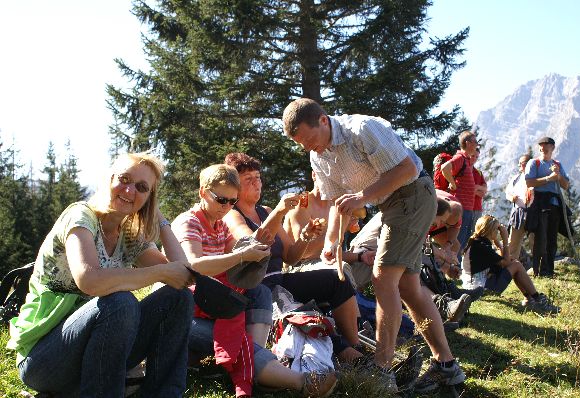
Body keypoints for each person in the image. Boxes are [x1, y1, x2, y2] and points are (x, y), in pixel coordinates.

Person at [282, 98, 465, 394]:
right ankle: (446, 366)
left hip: (413, 194)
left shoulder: (363, 129)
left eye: (310, 139)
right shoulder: (320, 155)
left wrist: (362, 197)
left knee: (382, 277)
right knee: (408, 287)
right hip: (391, 204)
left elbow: (406, 169)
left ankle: (381, 368)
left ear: (324, 120)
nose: (309, 148)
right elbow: (336, 205)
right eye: (302, 145)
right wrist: (332, 242)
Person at [7, 152, 195, 397]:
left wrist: (159, 218)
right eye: (124, 179)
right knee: (119, 302)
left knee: (177, 298)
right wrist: (161, 271)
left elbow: (181, 272)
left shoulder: (129, 234)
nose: (129, 191)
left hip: (98, 352)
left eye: (141, 187)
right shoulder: (80, 216)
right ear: (109, 179)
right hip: (44, 360)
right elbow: (89, 280)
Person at [171, 164, 337, 398]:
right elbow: (193, 265)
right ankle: (302, 381)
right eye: (221, 200)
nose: (226, 207)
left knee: (258, 292)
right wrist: (243, 255)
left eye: (232, 201)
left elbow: (239, 265)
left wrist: (253, 255)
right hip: (183, 311)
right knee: (238, 341)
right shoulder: (188, 222)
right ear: (202, 193)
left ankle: (251, 369)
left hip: (209, 304)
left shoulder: (219, 223)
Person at [222, 152, 363, 364]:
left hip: (280, 280)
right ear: (235, 186)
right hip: (257, 288)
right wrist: (279, 212)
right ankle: (351, 358)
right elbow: (252, 244)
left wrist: (305, 236)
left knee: (337, 279)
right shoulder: (232, 214)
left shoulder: (265, 211)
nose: (256, 183)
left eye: (258, 177)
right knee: (300, 313)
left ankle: (356, 345)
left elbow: (291, 256)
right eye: (248, 180)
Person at [461, 215, 560, 314]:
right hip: (480, 290)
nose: (498, 232)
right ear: (490, 231)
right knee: (516, 265)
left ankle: (530, 299)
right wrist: (505, 240)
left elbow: (503, 260)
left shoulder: (478, 242)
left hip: (477, 286)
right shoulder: (481, 246)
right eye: (496, 229)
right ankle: (538, 300)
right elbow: (506, 262)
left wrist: (497, 243)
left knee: (514, 263)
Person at [525, 136, 570, 277]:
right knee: (541, 238)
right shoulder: (534, 163)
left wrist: (558, 176)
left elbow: (566, 185)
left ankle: (549, 270)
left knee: (552, 238)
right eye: (541, 146)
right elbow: (529, 182)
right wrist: (548, 178)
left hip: (555, 204)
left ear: (552, 147)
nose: (543, 148)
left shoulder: (558, 164)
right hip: (539, 203)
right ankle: (539, 270)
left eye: (546, 146)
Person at [440, 130, 479, 249]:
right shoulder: (460, 158)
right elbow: (445, 167)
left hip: (466, 208)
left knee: (461, 243)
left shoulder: (466, 160)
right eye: (475, 142)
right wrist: (452, 183)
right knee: (457, 243)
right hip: (461, 209)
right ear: (467, 143)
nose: (477, 145)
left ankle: (454, 265)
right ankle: (451, 266)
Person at [505, 154, 534, 260]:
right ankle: (510, 270)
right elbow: (507, 193)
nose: (520, 166)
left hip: (533, 213)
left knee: (535, 242)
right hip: (518, 213)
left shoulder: (536, 178)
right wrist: (511, 197)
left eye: (523, 164)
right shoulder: (516, 178)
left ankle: (538, 271)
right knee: (513, 243)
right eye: (520, 164)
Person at [471, 148, 487, 226]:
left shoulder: (478, 173)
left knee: (475, 233)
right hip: (464, 207)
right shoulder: (462, 170)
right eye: (472, 156)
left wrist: (475, 187)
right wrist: (478, 189)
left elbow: (484, 191)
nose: (474, 158)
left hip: (477, 208)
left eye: (476, 157)